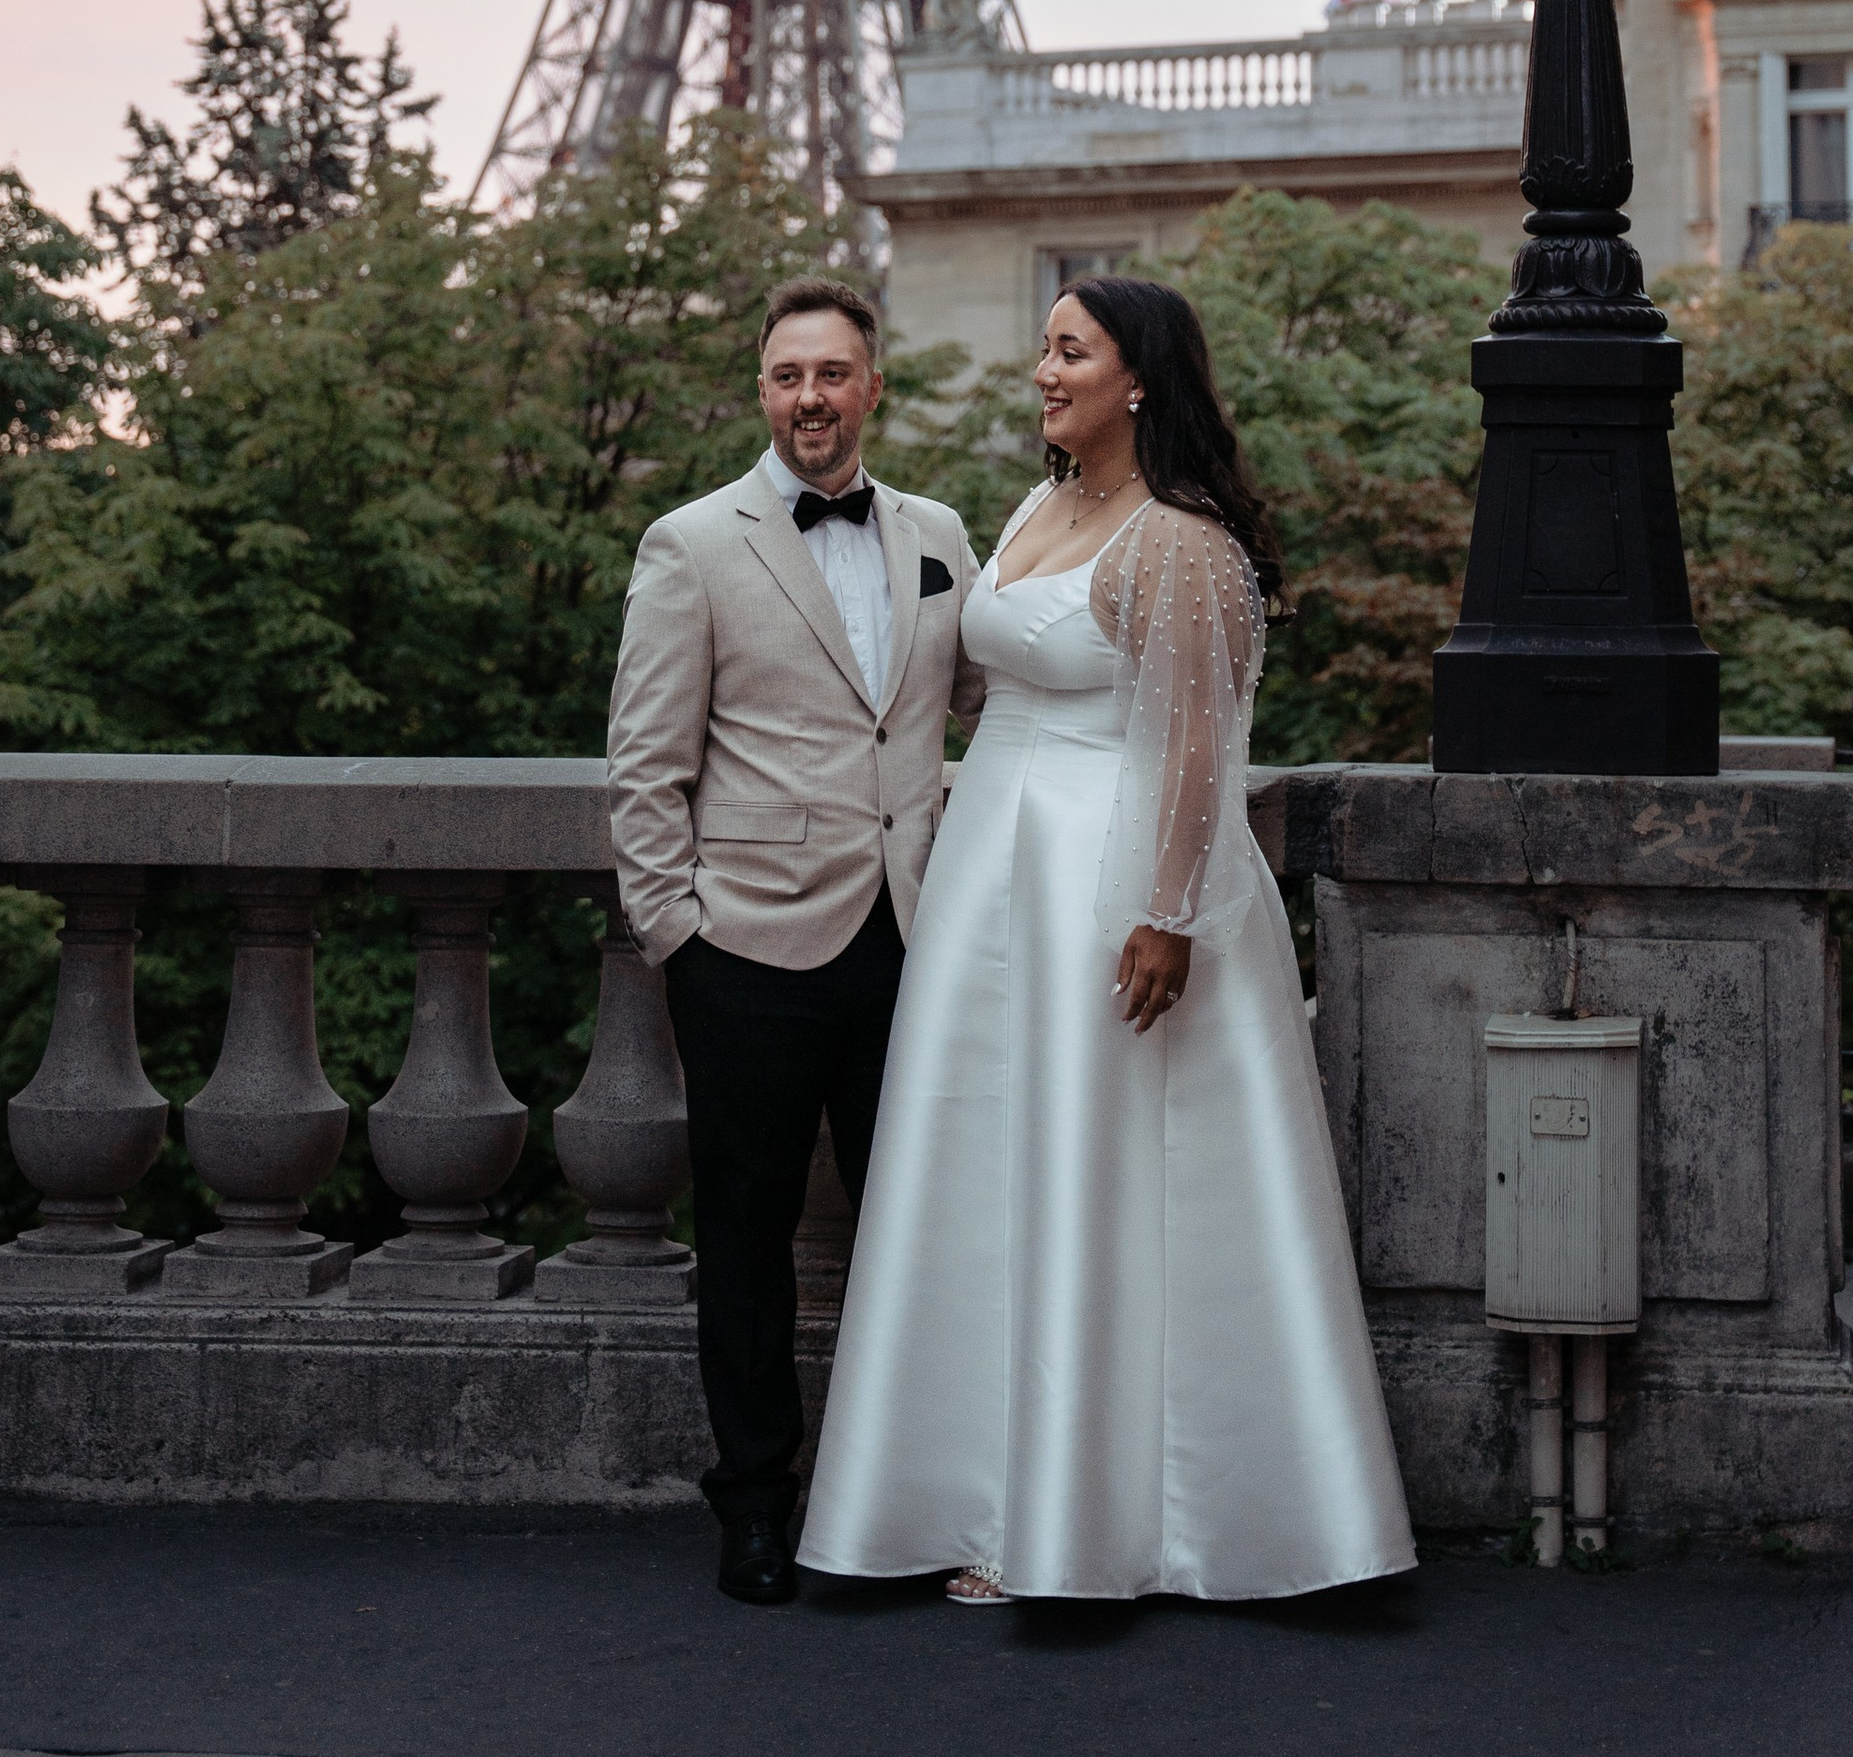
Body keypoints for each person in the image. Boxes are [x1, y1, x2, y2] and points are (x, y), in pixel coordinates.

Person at [797, 274, 1414, 1604]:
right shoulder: (1035, 508)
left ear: (1140, 378)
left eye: (1069, 350)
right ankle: (972, 1488)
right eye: (1045, 347)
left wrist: (1165, 913)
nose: (1042, 370)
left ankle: (1090, 1527)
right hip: (989, 878)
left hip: (1103, 881)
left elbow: (1198, 742)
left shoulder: (1177, 539)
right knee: (987, 1184)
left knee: (1096, 1177)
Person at [606, 273, 981, 1609]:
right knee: (750, 1242)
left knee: (923, 1235)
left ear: (873, 387)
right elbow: (646, 766)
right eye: (787, 378)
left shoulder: (939, 532)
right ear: (762, 394)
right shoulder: (692, 544)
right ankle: (754, 1505)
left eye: (833, 374)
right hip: (747, 952)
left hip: (913, 942)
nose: (811, 398)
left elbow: (990, 718)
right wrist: (680, 940)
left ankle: (909, 1504)